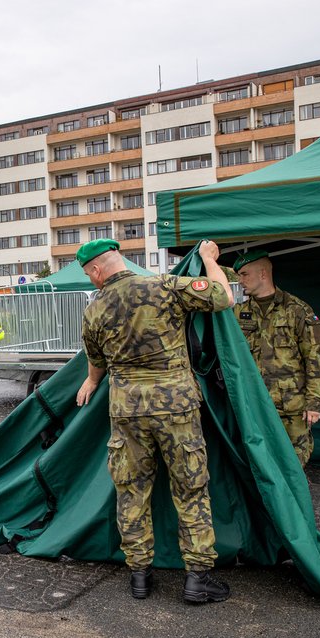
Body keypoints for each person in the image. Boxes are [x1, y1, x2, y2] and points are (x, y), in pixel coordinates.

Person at [75, 238, 234, 604]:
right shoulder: (164, 286)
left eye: (89, 275)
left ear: (97, 270)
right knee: (191, 490)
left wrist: (92, 380)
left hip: (127, 411)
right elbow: (222, 297)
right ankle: (197, 578)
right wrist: (210, 260)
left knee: (131, 491)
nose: (90, 281)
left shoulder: (94, 309)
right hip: (175, 407)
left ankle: (140, 576)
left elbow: (95, 356)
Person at [232, 250, 320, 467]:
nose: (240, 281)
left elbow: (316, 358)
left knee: (293, 462)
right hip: (254, 404)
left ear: (263, 273)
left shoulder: (297, 310)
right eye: (239, 275)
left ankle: (294, 501)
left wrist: (314, 402)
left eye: (245, 274)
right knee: (258, 462)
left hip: (291, 407)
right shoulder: (238, 314)